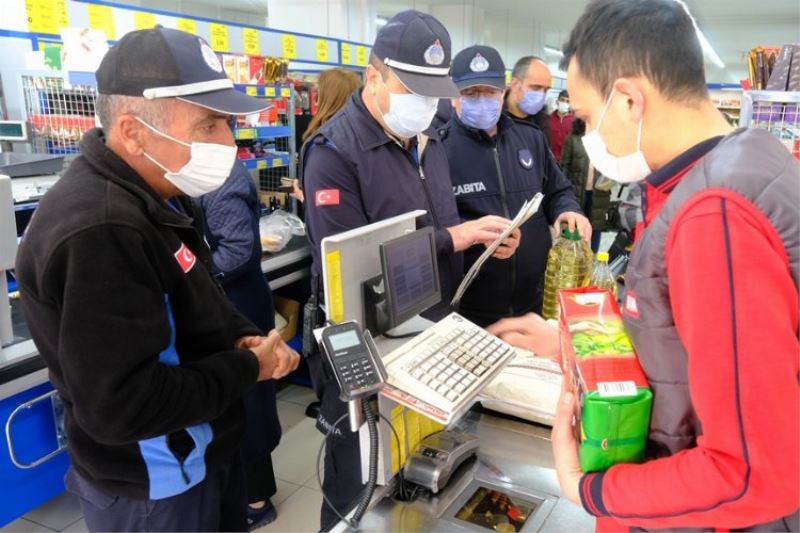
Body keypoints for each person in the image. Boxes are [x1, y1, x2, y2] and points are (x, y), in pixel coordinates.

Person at [489, 0, 799, 531]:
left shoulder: (712, 214)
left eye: (585, 118)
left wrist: (591, 490)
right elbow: (687, 341)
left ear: (629, 99)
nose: (587, 136)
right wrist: (567, 342)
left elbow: (753, 473)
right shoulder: (744, 158)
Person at [14, 28, 300, 532]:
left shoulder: (156, 194)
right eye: (209, 125)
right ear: (133, 131)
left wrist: (236, 333)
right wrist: (245, 367)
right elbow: (122, 403)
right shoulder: (100, 229)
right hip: (159, 487)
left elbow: (194, 289)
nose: (228, 142)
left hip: (201, 457)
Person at [301, 11, 516, 530]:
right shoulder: (334, 154)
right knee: (359, 481)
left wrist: (475, 232)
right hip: (366, 349)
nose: (423, 103)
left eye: (432, 91)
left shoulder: (430, 140)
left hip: (427, 328)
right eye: (409, 88)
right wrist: (452, 237)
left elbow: (430, 218)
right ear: (372, 77)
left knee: (412, 478)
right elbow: (351, 272)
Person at [440, 45, 589, 326]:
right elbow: (435, 227)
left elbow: (559, 190)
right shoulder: (438, 150)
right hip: (471, 310)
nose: (482, 100)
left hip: (534, 302)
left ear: (503, 92)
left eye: (490, 92)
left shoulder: (530, 139)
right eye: (471, 94)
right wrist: (477, 235)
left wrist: (568, 210)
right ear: (454, 97)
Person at [195, 159, 282, 529]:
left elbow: (238, 250)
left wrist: (191, 276)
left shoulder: (219, 176)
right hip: (223, 300)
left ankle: (256, 499)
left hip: (236, 302)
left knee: (248, 399)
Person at [560, 118, 611, 250]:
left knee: (596, 227)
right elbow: (564, 166)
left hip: (599, 193)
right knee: (574, 226)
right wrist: (564, 190)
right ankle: (571, 257)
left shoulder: (607, 139)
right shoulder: (573, 139)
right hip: (576, 192)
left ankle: (591, 260)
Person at [504, 56, 552, 140]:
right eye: (536, 88)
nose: (541, 95)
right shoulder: (494, 119)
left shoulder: (542, 124)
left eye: (545, 90)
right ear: (515, 84)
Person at [549, 89, 574, 161]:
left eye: (567, 101)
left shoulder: (574, 122)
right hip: (551, 161)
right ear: (557, 101)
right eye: (562, 100)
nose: (564, 103)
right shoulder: (549, 119)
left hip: (567, 163)